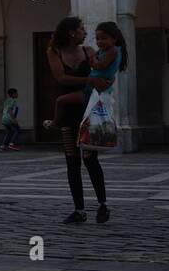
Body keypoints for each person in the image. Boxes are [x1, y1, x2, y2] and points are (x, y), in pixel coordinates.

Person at [44, 17, 120, 225]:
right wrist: (89, 80)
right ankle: (79, 209)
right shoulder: (54, 52)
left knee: (90, 158)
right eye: (81, 30)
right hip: (69, 112)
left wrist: (107, 80)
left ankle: (102, 204)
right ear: (71, 33)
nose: (85, 34)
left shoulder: (88, 51)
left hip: (88, 111)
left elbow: (106, 70)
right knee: (72, 160)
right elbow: (61, 78)